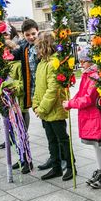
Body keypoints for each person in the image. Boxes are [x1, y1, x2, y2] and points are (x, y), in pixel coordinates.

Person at [63, 46, 101, 189]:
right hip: (90, 116)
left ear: (90, 61)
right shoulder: (87, 74)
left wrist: (71, 103)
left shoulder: (94, 76)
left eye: (83, 61)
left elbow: (88, 98)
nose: (81, 64)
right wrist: (71, 101)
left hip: (96, 115)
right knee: (96, 145)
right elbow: (80, 93)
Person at [32, 32, 73, 181]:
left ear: (45, 47)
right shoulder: (42, 63)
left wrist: (42, 108)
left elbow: (53, 89)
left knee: (62, 139)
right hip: (44, 110)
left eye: (38, 47)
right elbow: (38, 87)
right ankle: (56, 167)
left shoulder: (54, 63)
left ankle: (70, 166)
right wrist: (35, 104)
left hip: (54, 109)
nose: (37, 50)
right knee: (51, 140)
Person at [11, 19, 39, 173]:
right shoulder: (21, 49)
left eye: (33, 34)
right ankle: (21, 157)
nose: (31, 37)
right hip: (12, 99)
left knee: (22, 130)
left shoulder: (26, 50)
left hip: (24, 96)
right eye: (27, 35)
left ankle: (27, 159)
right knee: (15, 131)